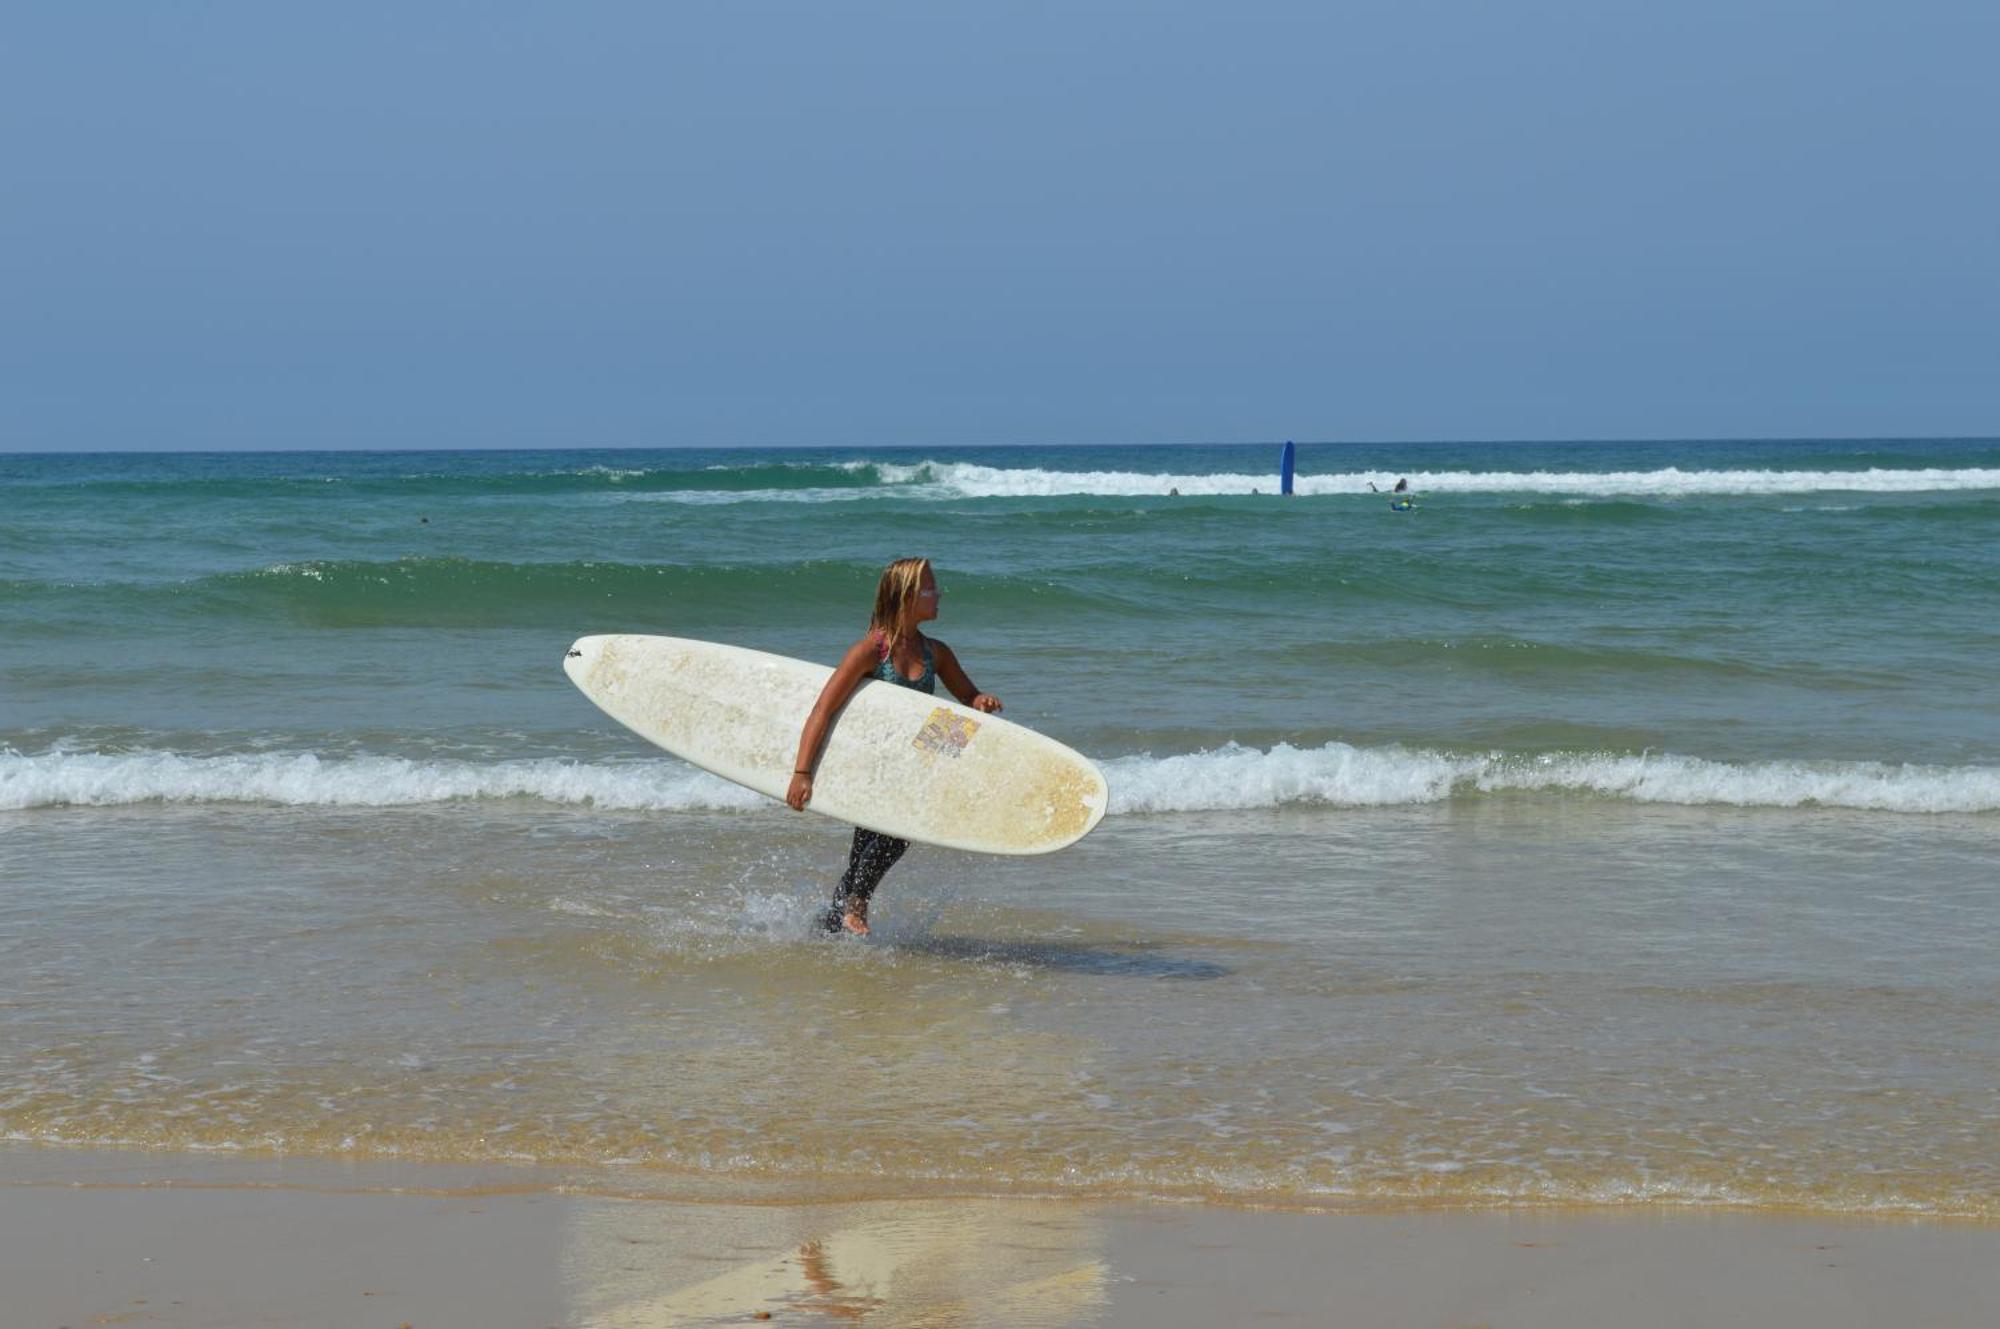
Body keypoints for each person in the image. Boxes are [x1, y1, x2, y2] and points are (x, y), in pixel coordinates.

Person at [787, 557, 1003, 936]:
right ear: (906, 596)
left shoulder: (937, 653)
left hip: (915, 764)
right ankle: (855, 905)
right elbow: (824, 707)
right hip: (872, 764)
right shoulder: (872, 650)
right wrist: (802, 772)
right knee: (894, 835)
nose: (939, 595)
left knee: (867, 853)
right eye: (931, 589)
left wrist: (981, 701)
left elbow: (967, 697)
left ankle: (829, 925)